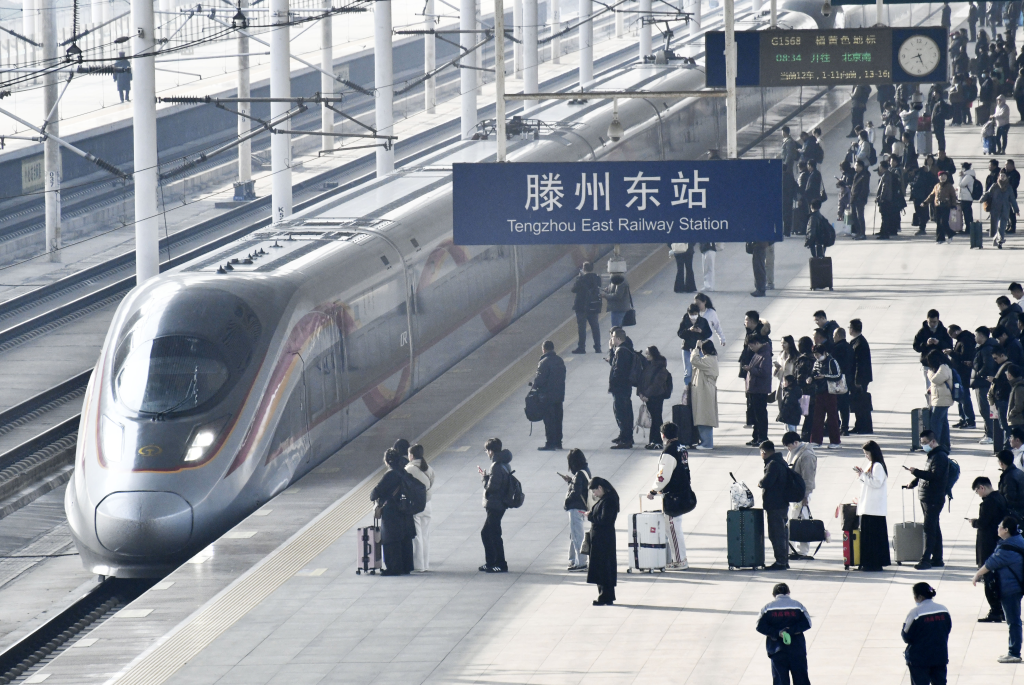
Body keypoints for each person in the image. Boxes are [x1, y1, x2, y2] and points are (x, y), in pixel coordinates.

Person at [972, 516, 1024, 663]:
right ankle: (1013, 651)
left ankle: (1014, 653)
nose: (998, 528)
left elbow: (991, 563)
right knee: (1013, 620)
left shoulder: (1007, 548)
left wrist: (977, 574)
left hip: (1010, 588)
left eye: (1000, 526)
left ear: (1006, 530)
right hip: (1016, 585)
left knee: (1013, 621)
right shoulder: (1018, 540)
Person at [647, 422, 691, 569]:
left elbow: (663, 476)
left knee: (672, 527)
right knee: (675, 526)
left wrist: (653, 490)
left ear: (663, 435)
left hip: (673, 495)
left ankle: (680, 560)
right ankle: (679, 558)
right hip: (683, 492)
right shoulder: (681, 447)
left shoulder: (669, 451)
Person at [905, 430, 950, 570]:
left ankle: (925, 559)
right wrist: (914, 481)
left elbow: (935, 476)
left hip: (934, 498)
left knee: (929, 529)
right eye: (922, 443)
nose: (923, 445)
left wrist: (916, 472)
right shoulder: (933, 455)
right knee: (934, 527)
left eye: (925, 442)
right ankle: (937, 558)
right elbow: (928, 473)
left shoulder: (940, 456)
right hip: (928, 496)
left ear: (933, 441)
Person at [370, 448, 416, 576]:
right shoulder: (404, 472)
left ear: (387, 461)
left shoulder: (390, 474)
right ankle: (407, 567)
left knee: (391, 540)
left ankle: (394, 568)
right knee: (405, 539)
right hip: (405, 510)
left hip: (392, 512)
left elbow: (374, 494)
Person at [970, 476, 1009, 622]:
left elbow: (983, 523)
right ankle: (1001, 610)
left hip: (988, 543)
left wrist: (974, 522)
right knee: (997, 578)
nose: (978, 494)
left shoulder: (988, 503)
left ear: (982, 487)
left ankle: (995, 611)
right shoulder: (1000, 497)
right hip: (997, 542)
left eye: (977, 491)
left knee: (989, 577)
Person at [757, 583, 812, 685]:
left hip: (776, 650)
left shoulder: (767, 608)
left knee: (780, 681)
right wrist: (790, 631)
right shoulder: (798, 606)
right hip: (797, 649)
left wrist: (778, 633)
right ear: (788, 592)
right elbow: (807, 623)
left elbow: (759, 626)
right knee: (801, 680)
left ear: (773, 594)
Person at [902, 583, 953, 684]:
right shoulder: (943, 609)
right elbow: (947, 628)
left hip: (919, 659)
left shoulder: (915, 612)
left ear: (920, 597)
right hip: (940, 655)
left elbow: (906, 636)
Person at [854, 441, 891, 572]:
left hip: (874, 508)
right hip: (869, 506)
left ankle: (873, 563)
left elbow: (876, 483)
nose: (866, 456)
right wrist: (862, 475)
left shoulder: (878, 466)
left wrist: (862, 476)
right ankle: (869, 562)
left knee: (873, 538)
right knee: (869, 537)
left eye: (867, 453)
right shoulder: (872, 464)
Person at [478, 438, 511, 573]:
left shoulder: (496, 466)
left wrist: (484, 478)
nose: (487, 453)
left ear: (491, 451)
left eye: (486, 450)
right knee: (487, 533)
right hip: (499, 504)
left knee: (493, 534)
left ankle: (500, 564)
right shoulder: (504, 463)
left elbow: (492, 487)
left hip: (496, 504)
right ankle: (491, 562)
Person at [783, 432, 816, 560]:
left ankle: (803, 550)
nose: (788, 449)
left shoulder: (807, 455)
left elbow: (808, 478)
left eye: (789, 446)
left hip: (802, 493)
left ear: (796, 443)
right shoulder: (794, 451)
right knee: (794, 519)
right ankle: (793, 548)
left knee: (803, 521)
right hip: (795, 492)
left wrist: (805, 496)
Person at [587, 476, 619, 605]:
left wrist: (590, 516)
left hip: (603, 539)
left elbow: (604, 519)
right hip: (603, 538)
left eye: (594, 491)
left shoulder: (608, 500)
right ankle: (606, 595)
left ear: (600, 487)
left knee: (603, 567)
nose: (594, 494)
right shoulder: (608, 498)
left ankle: (604, 596)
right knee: (604, 566)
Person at [759, 440, 791, 571]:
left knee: (776, 534)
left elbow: (767, 482)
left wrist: (760, 483)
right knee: (782, 533)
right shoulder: (781, 461)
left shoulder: (773, 464)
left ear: (764, 452)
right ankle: (784, 560)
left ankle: (780, 561)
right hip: (782, 503)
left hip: (775, 504)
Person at [404, 444, 435, 573]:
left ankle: (419, 565)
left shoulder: (409, 469)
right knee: (425, 535)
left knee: (416, 536)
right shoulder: (429, 468)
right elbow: (431, 484)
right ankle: (426, 564)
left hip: (415, 505)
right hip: (427, 504)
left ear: (411, 455)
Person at [559, 449, 591, 572]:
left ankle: (581, 562)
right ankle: (573, 560)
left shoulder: (579, 474)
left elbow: (576, 492)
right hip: (582, 507)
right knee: (575, 534)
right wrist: (571, 481)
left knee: (577, 536)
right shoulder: (585, 471)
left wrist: (567, 501)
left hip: (576, 508)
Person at [531, 340, 566, 451]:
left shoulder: (543, 362)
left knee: (549, 421)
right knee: (558, 419)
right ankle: (558, 443)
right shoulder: (559, 360)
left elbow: (539, 380)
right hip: (559, 396)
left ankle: (550, 443)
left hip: (547, 397)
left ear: (544, 349)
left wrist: (534, 386)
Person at [638, 346, 673, 450]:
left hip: (657, 397)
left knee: (656, 419)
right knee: (654, 419)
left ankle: (658, 441)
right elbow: (642, 380)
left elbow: (657, 384)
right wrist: (640, 393)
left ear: (653, 354)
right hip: (648, 397)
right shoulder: (648, 365)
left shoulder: (660, 367)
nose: (646, 356)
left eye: (648, 354)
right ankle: (653, 440)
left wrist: (646, 395)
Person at [809, 344, 842, 449]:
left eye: (817, 354)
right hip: (819, 392)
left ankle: (835, 441)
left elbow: (838, 375)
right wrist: (811, 378)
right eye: (815, 355)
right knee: (817, 417)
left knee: (832, 417)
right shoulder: (816, 362)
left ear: (824, 353)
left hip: (830, 393)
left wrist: (825, 376)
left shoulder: (832, 361)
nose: (816, 357)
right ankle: (816, 440)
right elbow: (813, 373)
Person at [608, 327, 635, 449]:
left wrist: (614, 382)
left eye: (613, 337)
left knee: (622, 412)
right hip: (624, 387)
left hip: (621, 388)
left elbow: (618, 370)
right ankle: (624, 435)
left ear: (618, 338)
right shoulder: (625, 348)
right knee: (623, 411)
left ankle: (626, 439)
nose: (611, 339)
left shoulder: (621, 352)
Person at [946, 324, 977, 430]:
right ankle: (963, 418)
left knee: (964, 396)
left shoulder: (965, 340)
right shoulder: (962, 339)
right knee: (960, 396)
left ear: (956, 331)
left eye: (950, 333)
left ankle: (969, 420)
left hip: (963, 373)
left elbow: (964, 356)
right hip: (960, 373)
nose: (950, 336)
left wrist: (951, 353)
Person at [745, 336, 773, 447]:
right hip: (754, 389)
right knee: (755, 414)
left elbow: (764, 372)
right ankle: (756, 437)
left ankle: (762, 437)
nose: (751, 348)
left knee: (760, 415)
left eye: (751, 346)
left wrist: (750, 369)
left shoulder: (765, 354)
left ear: (757, 343)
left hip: (760, 389)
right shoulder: (759, 353)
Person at [690, 340, 719, 450]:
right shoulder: (711, 359)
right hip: (705, 390)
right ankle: (705, 442)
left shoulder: (709, 360)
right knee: (703, 415)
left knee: (704, 417)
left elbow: (694, 360)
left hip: (705, 391)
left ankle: (707, 443)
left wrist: (696, 348)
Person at [914, 310, 953, 389]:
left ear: (938, 320)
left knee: (942, 388)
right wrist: (926, 344)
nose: (932, 324)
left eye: (934, 322)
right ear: (927, 319)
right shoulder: (922, 332)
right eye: (930, 322)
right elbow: (916, 346)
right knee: (929, 388)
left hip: (941, 363)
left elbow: (950, 346)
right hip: (927, 363)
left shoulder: (944, 331)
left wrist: (939, 343)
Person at [980, 171, 1020, 249]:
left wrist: (1016, 210)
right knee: (994, 225)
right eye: (1001, 176)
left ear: (1006, 177)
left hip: (1005, 209)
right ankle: (995, 238)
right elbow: (988, 193)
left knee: (1002, 225)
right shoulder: (995, 186)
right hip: (995, 209)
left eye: (1004, 176)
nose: (1002, 177)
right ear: (999, 176)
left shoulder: (1009, 187)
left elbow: (1012, 199)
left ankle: (1000, 240)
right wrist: (982, 199)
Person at [925, 350, 955, 448]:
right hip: (940, 399)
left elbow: (936, 380)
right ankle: (945, 444)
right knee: (943, 423)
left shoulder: (944, 367)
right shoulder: (942, 367)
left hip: (942, 400)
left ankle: (935, 444)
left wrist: (929, 373)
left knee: (935, 422)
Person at [977, 326, 1001, 445]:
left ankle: (990, 434)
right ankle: (989, 432)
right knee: (985, 409)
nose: (975, 337)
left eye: (976, 335)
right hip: (984, 382)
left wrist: (978, 373)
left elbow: (988, 365)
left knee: (985, 409)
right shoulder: (987, 346)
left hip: (984, 382)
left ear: (982, 336)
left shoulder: (987, 348)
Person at [570, 262, 602, 354]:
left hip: (581, 307)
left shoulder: (581, 279)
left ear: (584, 269)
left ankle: (581, 347)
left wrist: (579, 277)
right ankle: (598, 347)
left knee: (582, 328)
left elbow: (574, 289)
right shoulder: (597, 278)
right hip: (593, 305)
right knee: (595, 327)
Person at [677, 303, 711, 387]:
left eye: (695, 314)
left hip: (699, 348)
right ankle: (688, 387)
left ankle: (701, 385)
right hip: (687, 348)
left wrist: (701, 331)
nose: (693, 316)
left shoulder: (703, 321)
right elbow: (680, 334)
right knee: (688, 370)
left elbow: (708, 333)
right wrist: (689, 330)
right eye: (691, 314)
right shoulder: (685, 321)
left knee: (701, 368)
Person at [849, 319, 874, 434]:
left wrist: (857, 380)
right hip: (860, 378)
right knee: (857, 402)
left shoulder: (860, 343)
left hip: (860, 378)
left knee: (862, 403)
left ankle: (865, 426)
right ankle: (859, 425)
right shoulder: (857, 341)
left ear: (852, 329)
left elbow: (860, 364)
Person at [924, 171, 958, 243]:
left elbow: (953, 196)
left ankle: (951, 233)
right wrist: (925, 202)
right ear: (938, 177)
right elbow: (932, 195)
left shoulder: (949, 186)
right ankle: (940, 239)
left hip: (946, 206)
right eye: (941, 176)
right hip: (937, 206)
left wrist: (953, 205)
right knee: (938, 223)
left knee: (944, 222)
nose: (943, 177)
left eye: (945, 176)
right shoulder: (936, 186)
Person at [989, 350, 1014, 448]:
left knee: (1005, 425)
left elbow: (1006, 384)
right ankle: (1006, 445)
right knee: (1003, 425)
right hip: (1002, 398)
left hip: (1003, 398)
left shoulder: (1008, 367)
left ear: (1002, 355)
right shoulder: (1004, 366)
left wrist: (994, 380)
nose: (995, 360)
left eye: (996, 358)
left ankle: (1007, 446)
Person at [832, 328, 855, 436]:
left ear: (837, 335)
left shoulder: (836, 348)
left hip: (838, 379)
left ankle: (837, 425)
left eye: (834, 335)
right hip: (848, 378)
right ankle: (845, 427)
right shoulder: (849, 347)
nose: (833, 338)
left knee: (836, 403)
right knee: (845, 404)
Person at [998, 449, 1024, 519]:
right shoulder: (1019, 472)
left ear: (1001, 463)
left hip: (1016, 513)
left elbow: (1008, 498)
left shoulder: (1008, 477)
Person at [850, 159, 869, 240]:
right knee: (854, 216)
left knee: (860, 217)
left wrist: (860, 198)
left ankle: (862, 233)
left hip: (859, 199)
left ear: (861, 167)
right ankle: (858, 232)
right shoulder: (856, 175)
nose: (855, 167)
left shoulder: (864, 176)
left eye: (856, 165)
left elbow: (865, 189)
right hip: (853, 198)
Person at [959, 162, 978, 233]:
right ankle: (969, 228)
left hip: (966, 198)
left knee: (967, 214)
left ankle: (969, 228)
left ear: (964, 168)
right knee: (967, 214)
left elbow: (961, 184)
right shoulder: (969, 175)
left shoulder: (968, 176)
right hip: (966, 197)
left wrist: (960, 176)